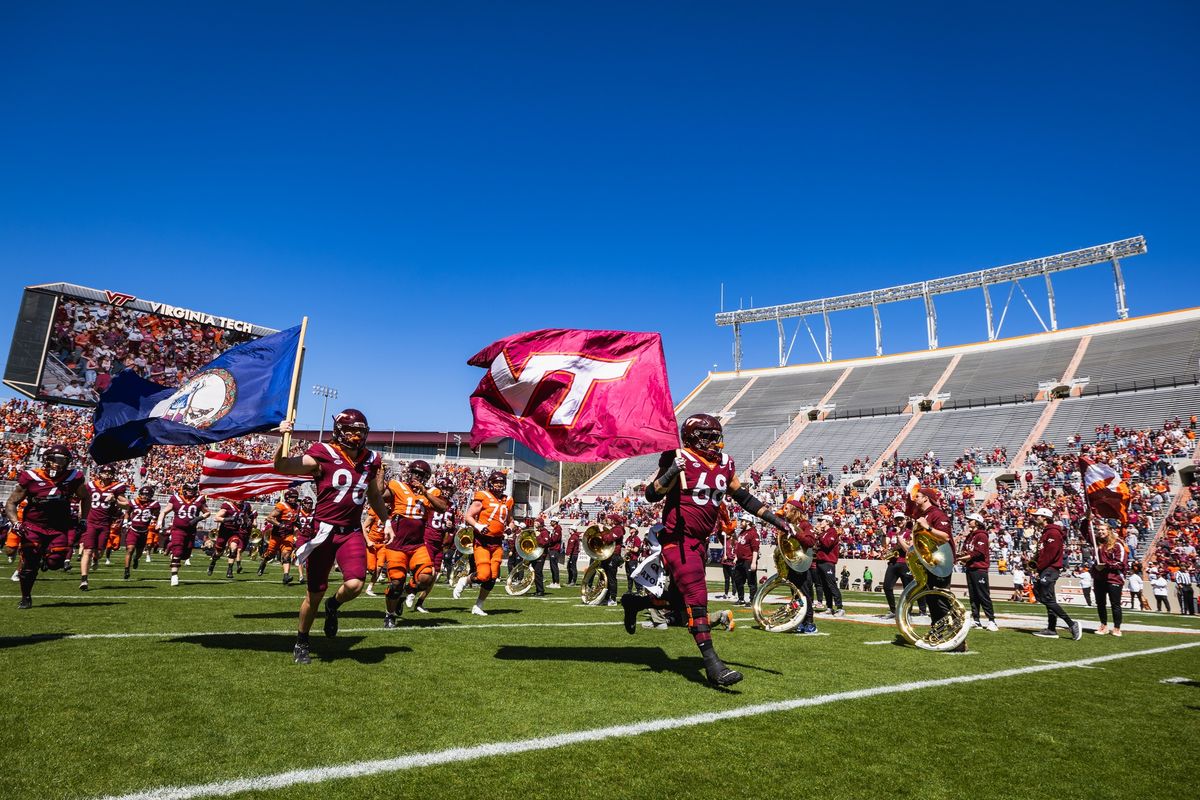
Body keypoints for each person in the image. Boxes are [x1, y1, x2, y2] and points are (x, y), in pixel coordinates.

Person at [620, 414, 792, 687]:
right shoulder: (678, 457)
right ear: (690, 438)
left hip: (700, 542)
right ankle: (713, 665)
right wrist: (672, 471)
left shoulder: (725, 464)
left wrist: (778, 521)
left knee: (677, 606)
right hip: (678, 539)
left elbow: (745, 498)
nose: (713, 442)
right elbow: (652, 495)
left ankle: (635, 603)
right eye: (707, 436)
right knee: (698, 596)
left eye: (716, 436)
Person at [275, 410, 389, 664]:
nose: (357, 435)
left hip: (351, 532)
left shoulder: (371, 459)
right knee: (313, 595)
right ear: (339, 431)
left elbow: (373, 496)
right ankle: (302, 639)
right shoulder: (323, 452)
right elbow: (282, 466)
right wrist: (284, 438)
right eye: (352, 430)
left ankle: (334, 605)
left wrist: (387, 520)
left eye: (361, 431)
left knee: (355, 584)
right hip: (323, 531)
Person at [4, 444, 90, 608]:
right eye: (54, 459)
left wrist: (84, 519)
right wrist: (16, 523)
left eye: (62, 460)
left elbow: (86, 498)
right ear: (47, 460)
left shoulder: (74, 478)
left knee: (55, 562)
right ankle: (26, 597)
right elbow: (11, 502)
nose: (57, 464)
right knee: (29, 564)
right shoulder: (31, 477)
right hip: (33, 526)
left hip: (58, 527)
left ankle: (45, 560)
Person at [381, 460, 446, 628]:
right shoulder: (397, 486)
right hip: (396, 544)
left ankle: (404, 594)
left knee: (426, 578)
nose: (417, 476)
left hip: (417, 544)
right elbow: (380, 495)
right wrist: (380, 474)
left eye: (421, 474)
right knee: (396, 582)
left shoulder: (431, 491)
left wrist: (425, 493)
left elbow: (442, 507)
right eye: (415, 472)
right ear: (409, 472)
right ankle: (390, 614)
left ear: (426, 478)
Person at [907, 487, 966, 651]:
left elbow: (946, 536)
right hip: (931, 562)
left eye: (917, 496)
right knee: (932, 599)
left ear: (926, 498)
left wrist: (928, 527)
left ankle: (958, 640)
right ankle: (938, 633)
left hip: (941, 563)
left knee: (941, 600)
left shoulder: (937, 514)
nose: (915, 498)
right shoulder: (923, 515)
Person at [456, 470, 517, 616]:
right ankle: (464, 580)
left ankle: (478, 605)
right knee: (483, 575)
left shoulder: (507, 500)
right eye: (496, 482)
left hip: (497, 542)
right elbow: (468, 516)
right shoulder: (483, 496)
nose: (498, 485)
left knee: (493, 575)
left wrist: (510, 528)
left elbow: (511, 520)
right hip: (482, 541)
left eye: (501, 483)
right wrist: (478, 526)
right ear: (490, 483)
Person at [1029, 508, 1083, 640]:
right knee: (1048, 599)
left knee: (1046, 599)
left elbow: (1050, 554)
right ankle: (1051, 628)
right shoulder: (1046, 533)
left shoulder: (1052, 532)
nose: (1036, 518)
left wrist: (1039, 567)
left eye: (1038, 516)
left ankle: (1072, 624)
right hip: (1046, 568)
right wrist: (1034, 563)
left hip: (1050, 569)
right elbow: (1043, 553)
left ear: (1045, 518)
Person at [79, 463, 129, 590]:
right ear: (100, 473)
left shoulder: (116, 487)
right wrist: (82, 513)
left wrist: (115, 501)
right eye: (105, 472)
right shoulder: (90, 485)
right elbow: (83, 499)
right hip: (91, 522)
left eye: (110, 472)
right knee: (88, 550)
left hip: (105, 523)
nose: (107, 474)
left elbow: (127, 505)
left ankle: (96, 559)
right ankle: (84, 580)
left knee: (99, 552)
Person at [409, 478, 456, 613]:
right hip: (427, 539)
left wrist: (450, 525)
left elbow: (451, 526)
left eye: (449, 489)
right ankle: (411, 590)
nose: (447, 491)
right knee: (427, 572)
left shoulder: (452, 505)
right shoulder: (431, 499)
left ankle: (420, 602)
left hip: (439, 543)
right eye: (445, 488)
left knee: (435, 576)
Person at [158, 482, 208, 587]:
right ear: (184, 489)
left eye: (193, 490)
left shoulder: (200, 500)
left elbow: (207, 512)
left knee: (186, 555)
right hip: (178, 529)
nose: (191, 492)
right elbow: (164, 512)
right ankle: (174, 575)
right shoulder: (175, 498)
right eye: (189, 490)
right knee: (178, 551)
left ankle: (172, 549)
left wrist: (198, 518)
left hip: (191, 531)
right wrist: (159, 523)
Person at [958, 512, 998, 631]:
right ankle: (976, 620)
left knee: (983, 595)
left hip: (979, 569)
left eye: (971, 520)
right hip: (970, 568)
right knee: (973, 596)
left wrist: (962, 558)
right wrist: (961, 555)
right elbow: (967, 550)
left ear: (977, 523)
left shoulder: (981, 536)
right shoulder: (970, 536)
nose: (969, 521)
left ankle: (992, 621)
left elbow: (978, 553)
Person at [1091, 519, 1127, 636]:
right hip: (1099, 578)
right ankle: (1103, 625)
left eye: (1102, 529)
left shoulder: (1117, 544)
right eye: (1098, 530)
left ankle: (1117, 628)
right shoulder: (1098, 545)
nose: (1100, 531)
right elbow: (1086, 532)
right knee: (1100, 603)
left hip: (1114, 578)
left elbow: (1121, 563)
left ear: (1109, 531)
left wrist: (1105, 565)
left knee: (1115, 604)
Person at [259, 488, 301, 584]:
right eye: (292, 497)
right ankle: (263, 563)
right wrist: (281, 525)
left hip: (288, 534)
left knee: (287, 554)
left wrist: (299, 526)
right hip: (277, 534)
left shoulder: (297, 507)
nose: (294, 499)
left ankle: (286, 576)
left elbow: (295, 519)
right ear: (287, 497)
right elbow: (269, 518)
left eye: (295, 497)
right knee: (270, 554)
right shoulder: (281, 506)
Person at [122, 486, 160, 579]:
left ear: (150, 495)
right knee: (130, 549)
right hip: (133, 530)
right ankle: (126, 570)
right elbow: (127, 512)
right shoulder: (133, 502)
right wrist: (125, 522)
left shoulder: (154, 504)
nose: (144, 496)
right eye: (142, 494)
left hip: (144, 531)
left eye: (146, 495)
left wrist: (153, 519)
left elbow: (156, 515)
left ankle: (136, 559)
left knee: (139, 553)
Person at [814, 515, 844, 616]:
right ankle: (829, 607)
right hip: (820, 561)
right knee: (825, 586)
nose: (820, 522)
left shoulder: (832, 532)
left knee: (831, 585)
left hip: (828, 562)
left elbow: (827, 544)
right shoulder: (824, 533)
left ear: (827, 522)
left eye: (822, 521)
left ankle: (840, 608)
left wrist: (819, 535)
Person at [732, 522, 759, 605]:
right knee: (738, 580)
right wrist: (736, 557)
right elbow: (738, 546)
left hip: (749, 560)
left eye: (742, 520)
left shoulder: (753, 533)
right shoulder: (742, 532)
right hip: (740, 560)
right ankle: (741, 599)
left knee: (751, 582)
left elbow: (755, 549)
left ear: (748, 522)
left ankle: (752, 600)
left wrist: (753, 562)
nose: (741, 522)